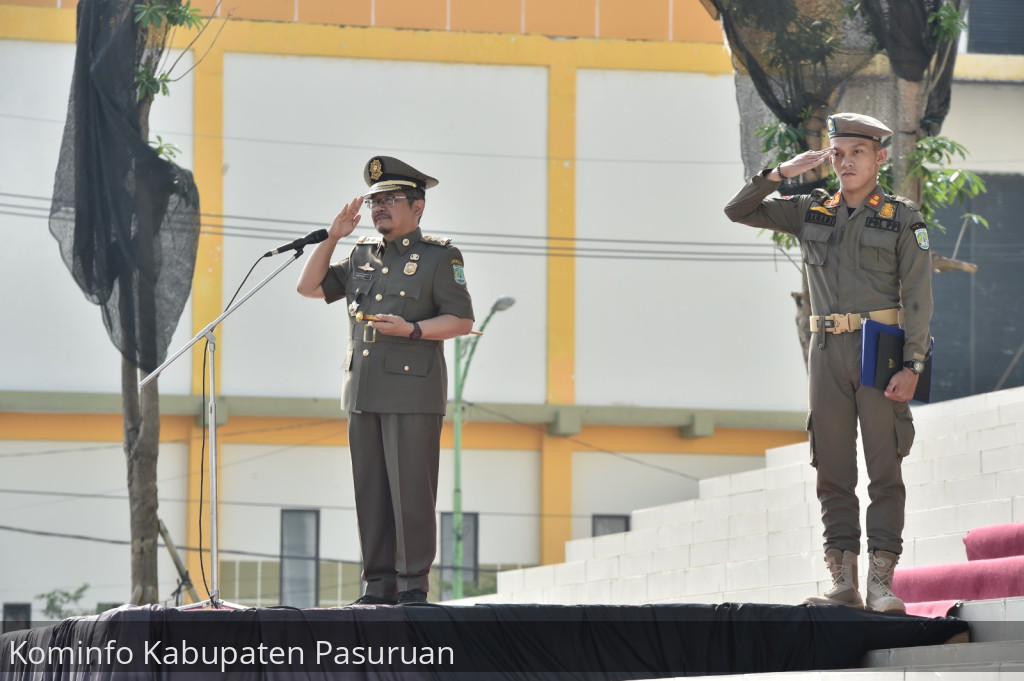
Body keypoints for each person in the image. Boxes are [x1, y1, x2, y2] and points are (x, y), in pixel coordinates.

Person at [724, 113, 933, 613]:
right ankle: (844, 580)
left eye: (857, 152)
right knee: (832, 470)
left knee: (885, 469)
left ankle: (882, 581)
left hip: (878, 349)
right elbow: (737, 210)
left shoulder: (903, 218)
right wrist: (780, 174)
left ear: (880, 157)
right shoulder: (811, 209)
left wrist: (914, 365)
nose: (845, 162)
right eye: (837, 153)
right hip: (824, 351)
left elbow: (920, 297)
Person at [297, 156, 475, 605]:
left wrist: (414, 329)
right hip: (363, 391)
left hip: (413, 392)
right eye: (375, 199)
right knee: (371, 493)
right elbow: (310, 288)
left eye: (391, 199)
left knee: (411, 493)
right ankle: (377, 586)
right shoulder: (360, 253)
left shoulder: (439, 256)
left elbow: (460, 319)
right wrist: (332, 237)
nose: (379, 207)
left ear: (418, 208)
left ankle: (412, 586)